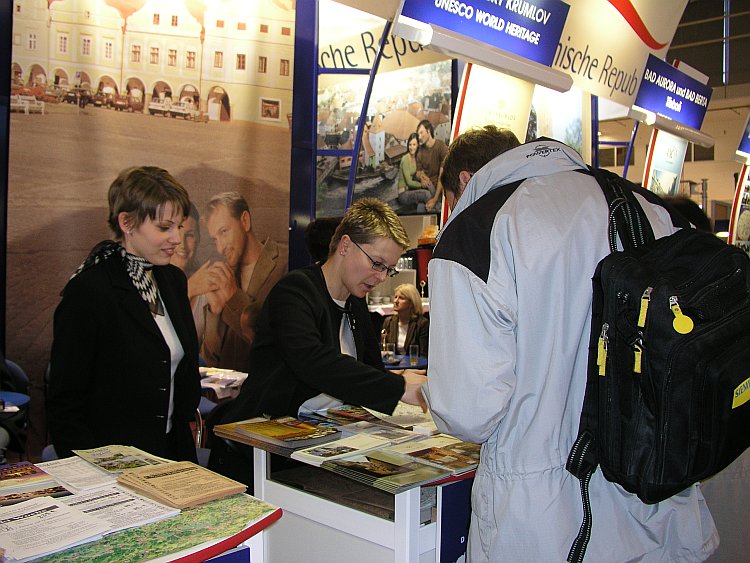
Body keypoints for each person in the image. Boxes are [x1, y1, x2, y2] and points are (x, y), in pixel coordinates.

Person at [424, 127, 718, 562]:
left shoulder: (478, 230)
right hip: (656, 495)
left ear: (464, 182)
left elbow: (469, 412)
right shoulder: (650, 209)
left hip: (546, 519)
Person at [208, 198, 427, 487]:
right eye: (376, 264)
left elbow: (368, 370)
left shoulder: (355, 303)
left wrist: (400, 379)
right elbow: (314, 362)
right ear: (345, 246)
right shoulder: (294, 291)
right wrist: (399, 387)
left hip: (318, 455)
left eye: (389, 269)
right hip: (261, 460)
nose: (381, 277)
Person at [47, 166, 202, 461]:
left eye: (179, 226)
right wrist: (96, 471)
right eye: (164, 227)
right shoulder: (91, 290)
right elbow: (65, 403)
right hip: (112, 462)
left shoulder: (172, 280)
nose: (176, 239)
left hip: (172, 453)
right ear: (127, 223)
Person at [195, 191, 287, 371]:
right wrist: (214, 314)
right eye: (214, 239)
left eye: (224, 232)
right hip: (229, 397)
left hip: (269, 393)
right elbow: (211, 360)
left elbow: (278, 344)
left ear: (245, 221)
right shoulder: (224, 275)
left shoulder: (286, 264)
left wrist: (233, 297)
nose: (220, 247)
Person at [170, 202, 206, 340]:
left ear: (198, 238)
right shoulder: (148, 281)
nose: (182, 245)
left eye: (189, 235)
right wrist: (190, 290)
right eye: (177, 234)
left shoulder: (206, 283)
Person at [382, 283, 429, 356]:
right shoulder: (389, 322)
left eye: (401, 298)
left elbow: (423, 354)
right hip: (393, 365)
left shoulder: (422, 324)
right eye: (395, 297)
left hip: (415, 365)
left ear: (411, 303)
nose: (396, 301)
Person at [413, 120, 448, 212]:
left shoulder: (441, 147)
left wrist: (435, 199)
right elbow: (418, 172)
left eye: (421, 133)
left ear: (428, 131)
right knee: (420, 210)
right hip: (426, 189)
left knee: (433, 209)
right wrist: (421, 177)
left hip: (439, 191)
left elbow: (442, 176)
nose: (419, 137)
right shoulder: (420, 151)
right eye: (418, 134)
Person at [397, 133, 431, 211]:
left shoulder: (416, 158)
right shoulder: (405, 159)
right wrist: (422, 185)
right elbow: (409, 182)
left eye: (414, 144)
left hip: (410, 190)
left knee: (430, 187)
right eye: (410, 145)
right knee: (426, 194)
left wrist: (424, 179)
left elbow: (419, 172)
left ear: (418, 145)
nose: (411, 147)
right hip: (403, 194)